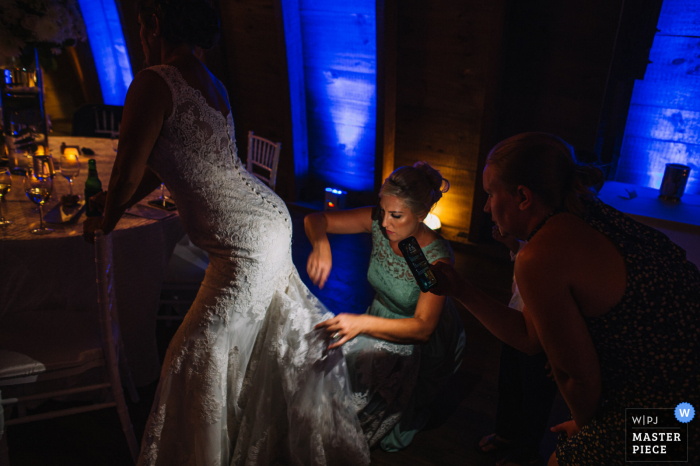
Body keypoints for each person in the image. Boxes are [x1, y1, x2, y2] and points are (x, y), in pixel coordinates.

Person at [83, 1, 370, 464]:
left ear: (155, 22)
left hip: (245, 242)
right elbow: (166, 167)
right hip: (267, 221)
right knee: (249, 338)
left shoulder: (153, 81)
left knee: (195, 350)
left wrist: (105, 221)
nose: (139, 32)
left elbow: (126, 171)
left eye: (139, 23)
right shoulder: (211, 82)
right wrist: (116, 203)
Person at [429, 132, 700, 465]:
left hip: (681, 424)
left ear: (523, 197)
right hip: (675, 397)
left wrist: (590, 429)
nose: (486, 207)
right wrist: (460, 288)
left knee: (564, 461)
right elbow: (531, 337)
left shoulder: (541, 255)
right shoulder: (585, 207)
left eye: (490, 194)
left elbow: (577, 377)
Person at [305, 162, 466, 452]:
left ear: (422, 215)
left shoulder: (432, 257)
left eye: (396, 216)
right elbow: (316, 219)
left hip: (413, 334)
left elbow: (423, 327)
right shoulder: (379, 221)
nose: (385, 224)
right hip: (378, 315)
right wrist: (321, 243)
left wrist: (360, 323)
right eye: (383, 211)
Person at [476, 226, 557, 466]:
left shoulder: (564, 239)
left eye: (492, 195)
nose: (487, 207)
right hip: (516, 322)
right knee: (509, 383)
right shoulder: (537, 234)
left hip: (546, 338)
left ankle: (526, 454)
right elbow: (526, 256)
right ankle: (506, 434)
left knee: (534, 398)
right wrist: (513, 244)